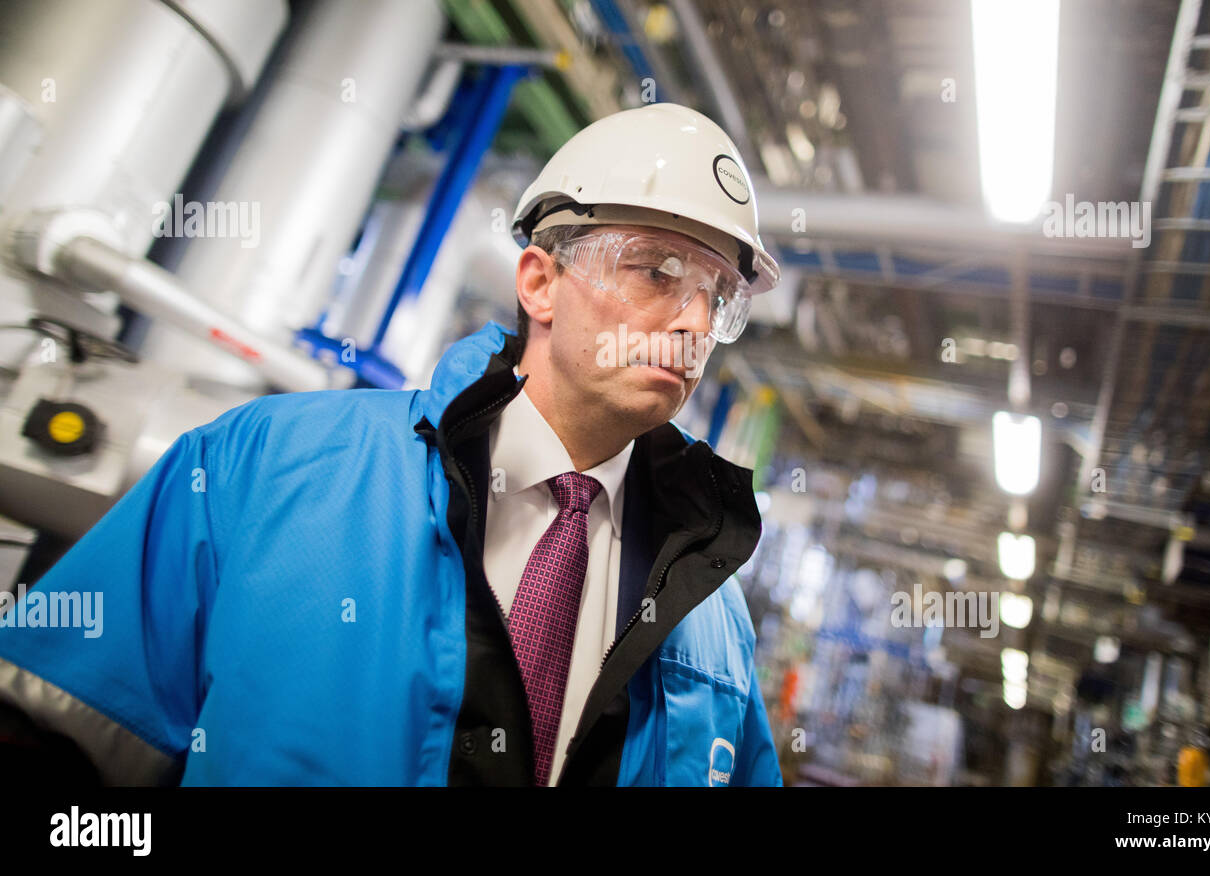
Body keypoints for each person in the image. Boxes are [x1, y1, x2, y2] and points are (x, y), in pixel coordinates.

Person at [0, 101, 784, 786]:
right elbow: (58, 741)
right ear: (540, 282)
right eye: (656, 273)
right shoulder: (265, 467)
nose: (690, 326)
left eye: (715, 299)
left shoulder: (713, 621)